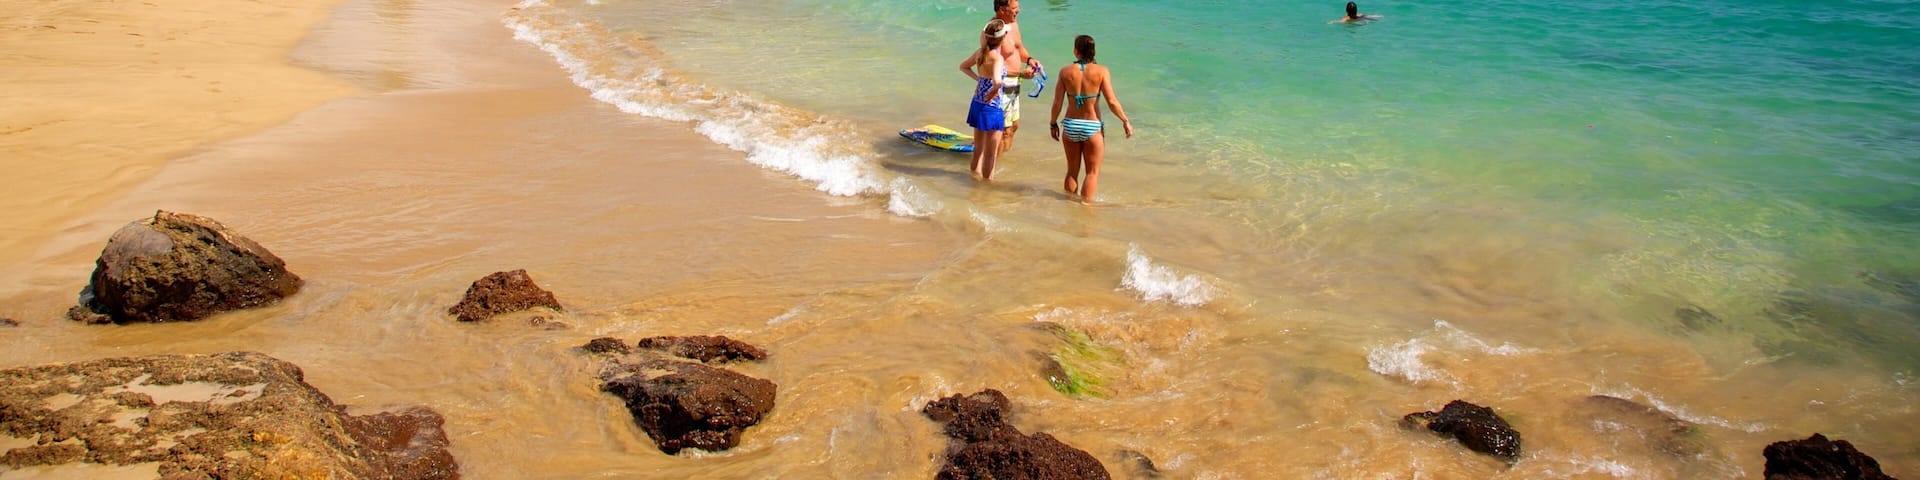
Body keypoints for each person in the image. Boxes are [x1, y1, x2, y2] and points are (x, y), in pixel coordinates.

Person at [1047, 34, 1132, 203]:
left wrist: (1053, 123)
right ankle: (1085, 211)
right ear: (1093, 51)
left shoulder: (1065, 72)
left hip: (1070, 125)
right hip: (1092, 127)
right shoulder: (1102, 71)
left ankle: (1069, 206)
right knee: (1092, 172)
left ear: (1076, 51)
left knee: (1072, 171)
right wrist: (1125, 120)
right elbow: (1112, 102)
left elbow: (1057, 103)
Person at [962, 0, 1041, 155]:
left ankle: (999, 164)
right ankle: (991, 167)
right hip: (1001, 87)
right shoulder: (991, 33)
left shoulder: (1013, 24)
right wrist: (1021, 74)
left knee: (1014, 126)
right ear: (1002, 9)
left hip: (1014, 84)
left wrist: (1030, 60)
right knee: (1003, 130)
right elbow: (990, 68)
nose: (1018, 11)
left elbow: (1019, 48)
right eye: (1014, 8)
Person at [961, 20, 1011, 180]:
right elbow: (997, 80)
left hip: (977, 102)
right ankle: (986, 188)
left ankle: (973, 180)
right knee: (990, 154)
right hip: (992, 107)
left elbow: (963, 66)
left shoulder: (980, 53)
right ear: (1002, 39)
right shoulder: (997, 58)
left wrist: (980, 80)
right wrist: (994, 91)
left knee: (978, 149)